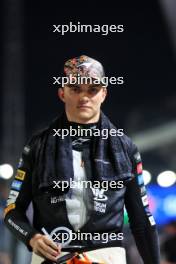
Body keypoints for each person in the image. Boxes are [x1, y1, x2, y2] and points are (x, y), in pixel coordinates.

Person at [4, 55, 160, 264]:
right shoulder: (37, 146)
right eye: (76, 89)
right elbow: (12, 211)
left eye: (92, 90)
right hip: (52, 257)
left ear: (104, 93)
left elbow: (141, 219)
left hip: (107, 258)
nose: (84, 97)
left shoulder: (126, 148)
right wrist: (31, 238)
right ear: (62, 93)